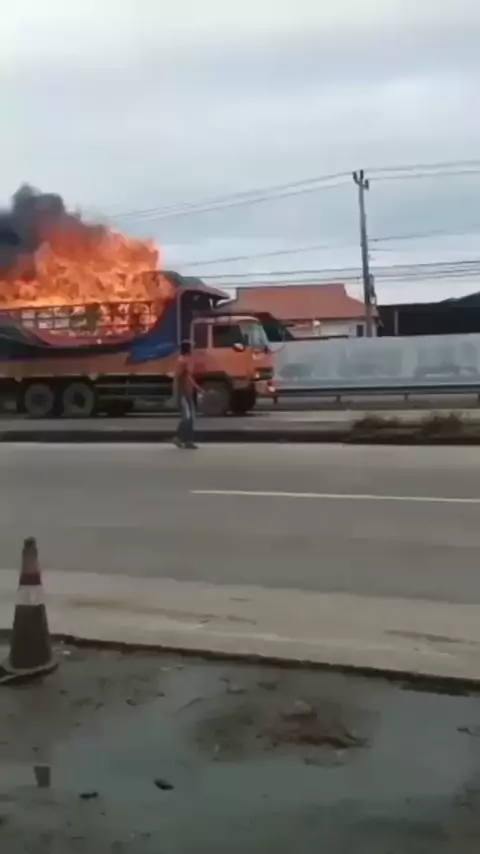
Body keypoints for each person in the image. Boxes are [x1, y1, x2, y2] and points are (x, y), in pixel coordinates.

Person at [173, 340, 202, 449]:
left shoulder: (186, 361)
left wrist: (197, 388)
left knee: (190, 417)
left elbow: (188, 377)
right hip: (183, 393)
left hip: (188, 393)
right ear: (188, 349)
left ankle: (183, 439)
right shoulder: (182, 361)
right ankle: (184, 439)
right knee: (188, 417)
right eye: (191, 348)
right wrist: (176, 394)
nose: (193, 350)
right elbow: (177, 378)